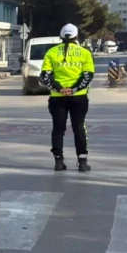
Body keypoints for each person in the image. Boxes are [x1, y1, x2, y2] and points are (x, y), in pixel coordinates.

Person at [39, 22, 95, 172]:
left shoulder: (51, 52)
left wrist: (60, 88)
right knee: (79, 127)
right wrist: (74, 89)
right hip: (79, 97)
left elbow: (46, 76)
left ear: (61, 37)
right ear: (76, 36)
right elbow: (88, 75)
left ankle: (58, 161)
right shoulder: (85, 53)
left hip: (57, 97)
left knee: (58, 129)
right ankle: (82, 163)